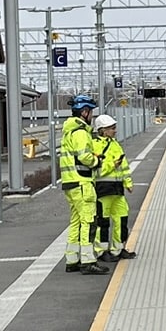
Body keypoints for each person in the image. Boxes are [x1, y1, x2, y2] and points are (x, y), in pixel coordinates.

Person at [59, 99, 106, 274]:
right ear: (84, 112)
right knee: (89, 221)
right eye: (91, 112)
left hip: (70, 183)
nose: (92, 116)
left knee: (76, 222)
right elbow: (85, 157)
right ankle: (88, 261)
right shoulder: (80, 132)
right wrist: (97, 161)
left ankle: (72, 260)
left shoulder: (68, 132)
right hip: (82, 183)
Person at [91, 114, 135, 261]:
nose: (115, 131)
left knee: (122, 219)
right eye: (112, 128)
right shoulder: (94, 145)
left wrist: (128, 182)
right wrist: (112, 165)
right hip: (102, 189)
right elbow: (95, 170)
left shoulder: (115, 144)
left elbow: (124, 166)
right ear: (102, 130)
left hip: (117, 189)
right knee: (102, 222)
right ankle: (101, 251)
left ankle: (118, 249)